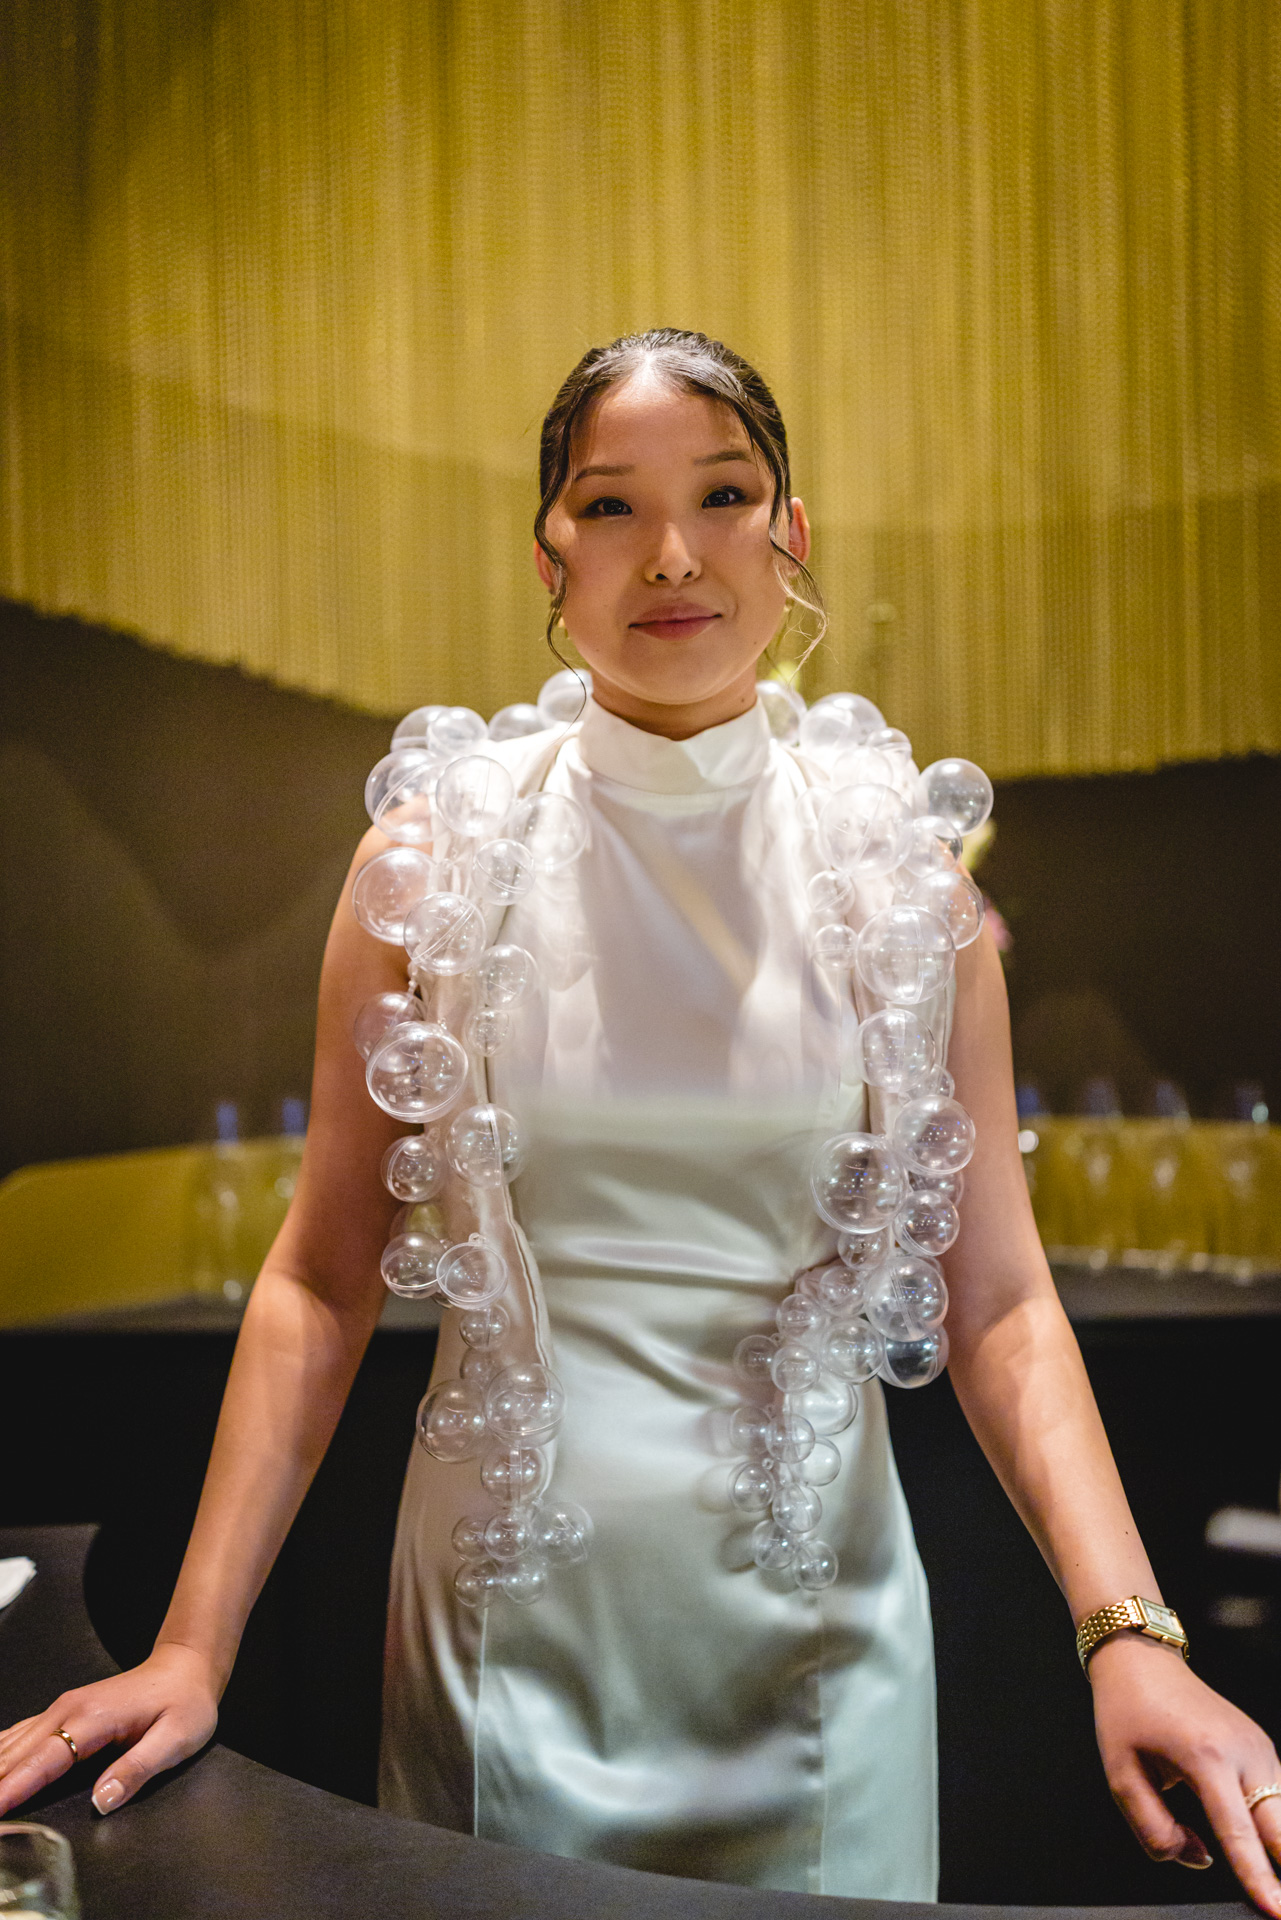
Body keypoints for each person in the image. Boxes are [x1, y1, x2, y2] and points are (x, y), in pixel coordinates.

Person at [2, 329, 1279, 1906]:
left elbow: (999, 1304)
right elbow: (320, 1281)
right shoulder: (432, 864)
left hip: (820, 1646)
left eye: (723, 495)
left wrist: (1127, 1636)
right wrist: (192, 1650)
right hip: (504, 1633)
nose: (672, 554)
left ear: (789, 534)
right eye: (610, 506)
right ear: (550, 554)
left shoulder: (899, 878)